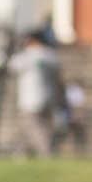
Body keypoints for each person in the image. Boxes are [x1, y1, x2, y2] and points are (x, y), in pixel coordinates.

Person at [7, 30, 62, 158]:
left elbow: (12, 66)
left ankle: (46, 153)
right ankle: (20, 154)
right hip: (49, 97)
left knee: (34, 128)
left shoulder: (27, 56)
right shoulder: (51, 56)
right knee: (30, 127)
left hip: (29, 100)